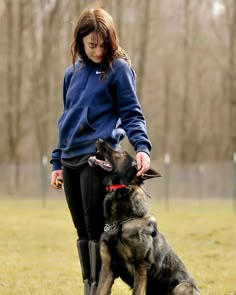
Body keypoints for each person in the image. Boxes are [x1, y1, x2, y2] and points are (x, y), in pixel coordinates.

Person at [50, 7, 152, 295]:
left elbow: (132, 113)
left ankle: (98, 289)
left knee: (96, 230)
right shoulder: (72, 74)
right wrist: (56, 162)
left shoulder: (118, 69)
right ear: (80, 41)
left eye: (103, 44)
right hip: (69, 159)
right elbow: (65, 119)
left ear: (111, 40)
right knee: (81, 232)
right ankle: (88, 285)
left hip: (97, 160)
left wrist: (142, 147)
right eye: (91, 44)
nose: (98, 50)